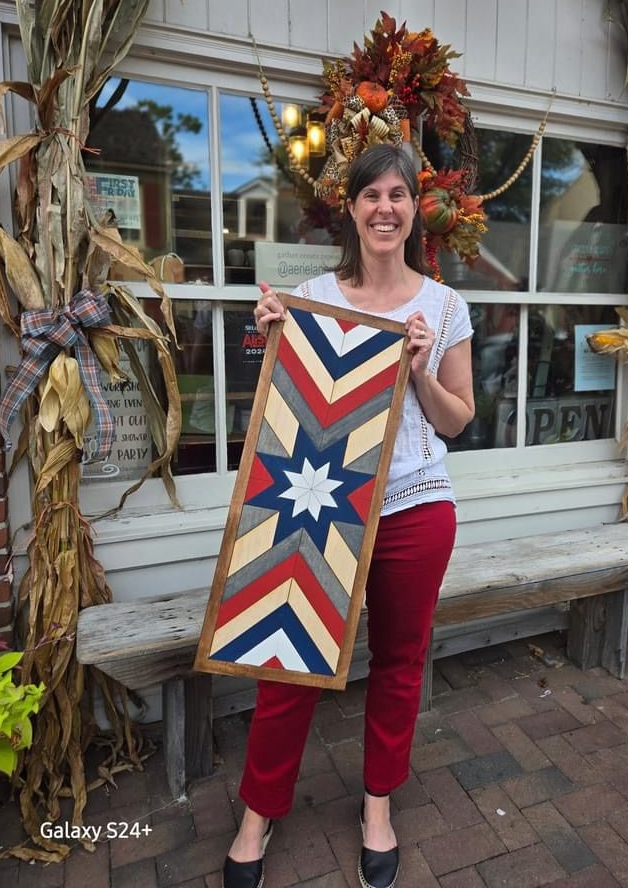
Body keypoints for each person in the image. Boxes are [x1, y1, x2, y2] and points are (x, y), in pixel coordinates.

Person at [224, 144, 475, 888]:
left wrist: (422, 372)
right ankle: (258, 810)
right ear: (353, 209)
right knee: (289, 659)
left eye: (399, 195)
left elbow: (458, 420)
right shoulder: (314, 295)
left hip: (412, 504)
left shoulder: (443, 305)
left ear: (414, 211)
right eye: (372, 195)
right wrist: (266, 331)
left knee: (399, 662)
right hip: (319, 501)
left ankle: (377, 805)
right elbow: (278, 402)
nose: (386, 208)